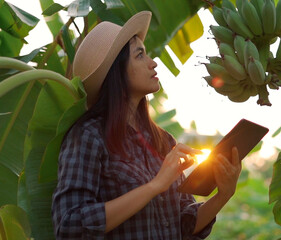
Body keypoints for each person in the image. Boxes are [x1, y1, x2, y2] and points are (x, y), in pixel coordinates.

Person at [51, 11, 242, 239]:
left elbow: (183, 224)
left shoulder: (163, 141)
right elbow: (69, 225)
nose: (153, 63)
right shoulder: (88, 136)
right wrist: (154, 186)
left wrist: (223, 195)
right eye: (140, 55)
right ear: (116, 70)